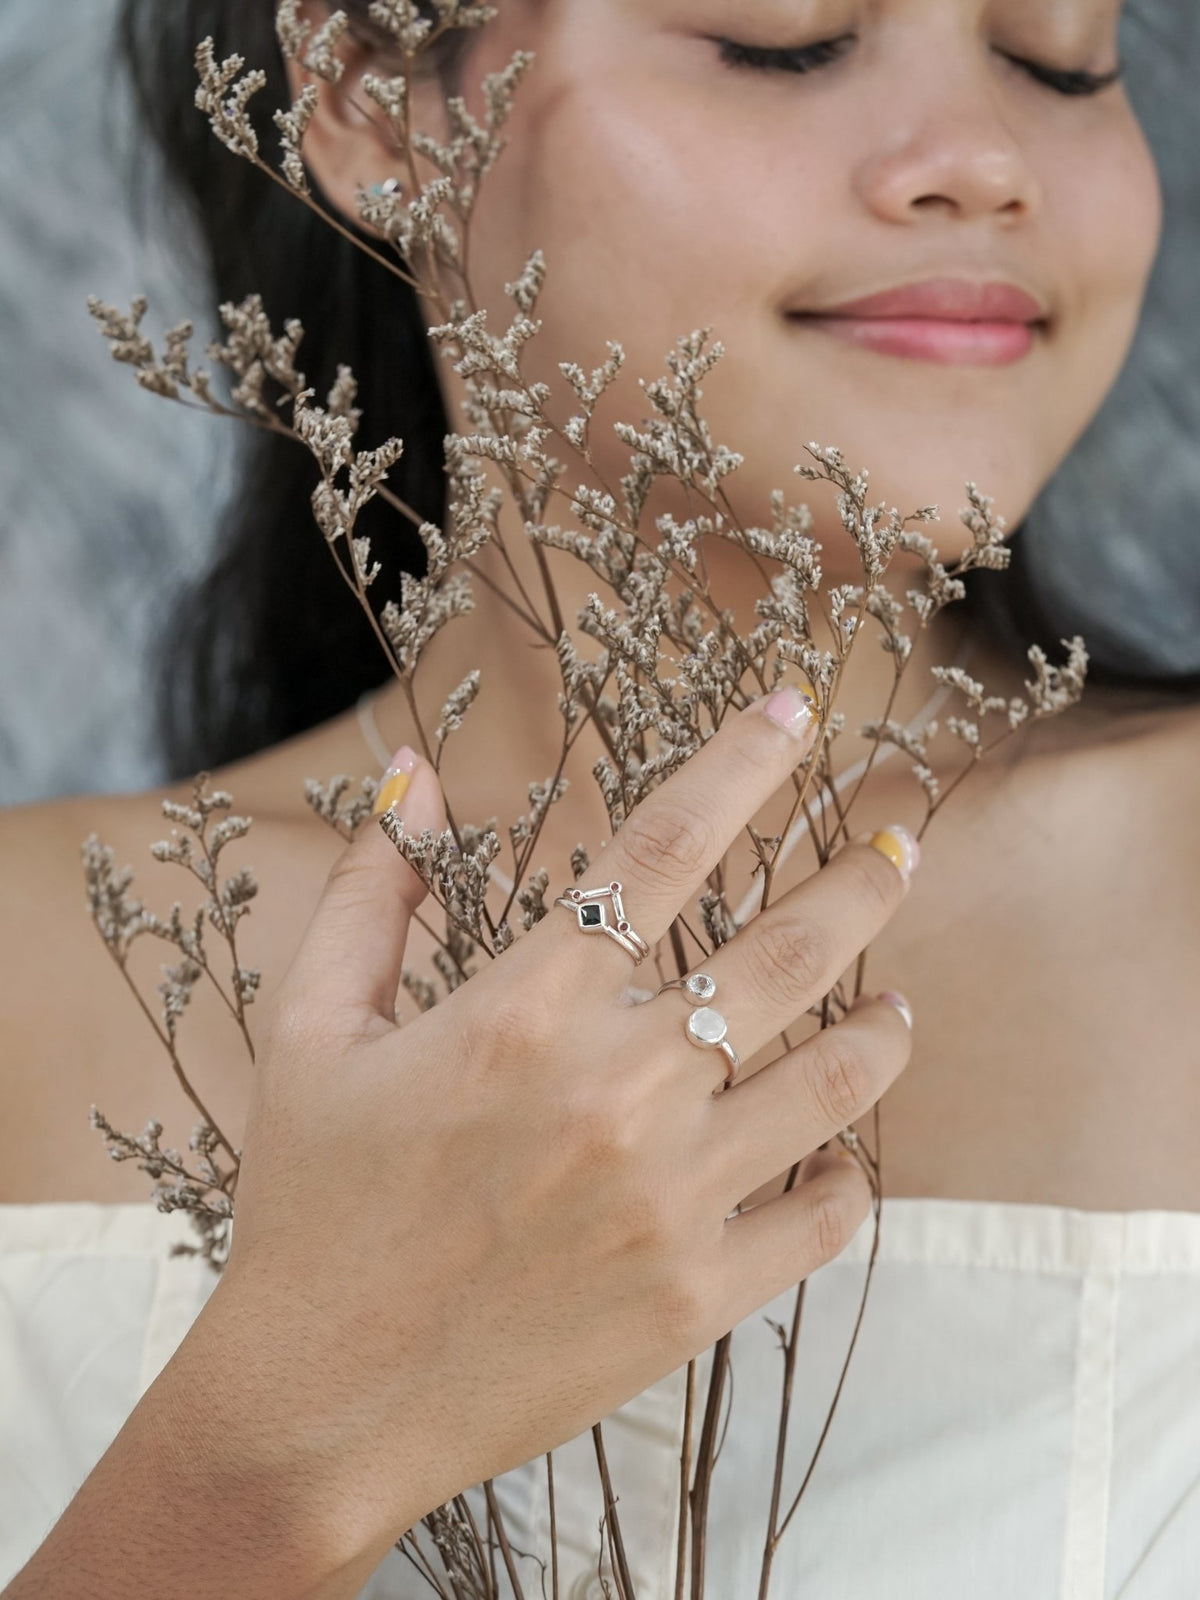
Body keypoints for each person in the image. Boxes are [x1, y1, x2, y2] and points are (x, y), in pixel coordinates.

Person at [2, 0, 1198, 1595]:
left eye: (1062, 54)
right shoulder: (43, 965)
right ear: (370, 95)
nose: (982, 161)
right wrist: (287, 1435)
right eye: (785, 36)